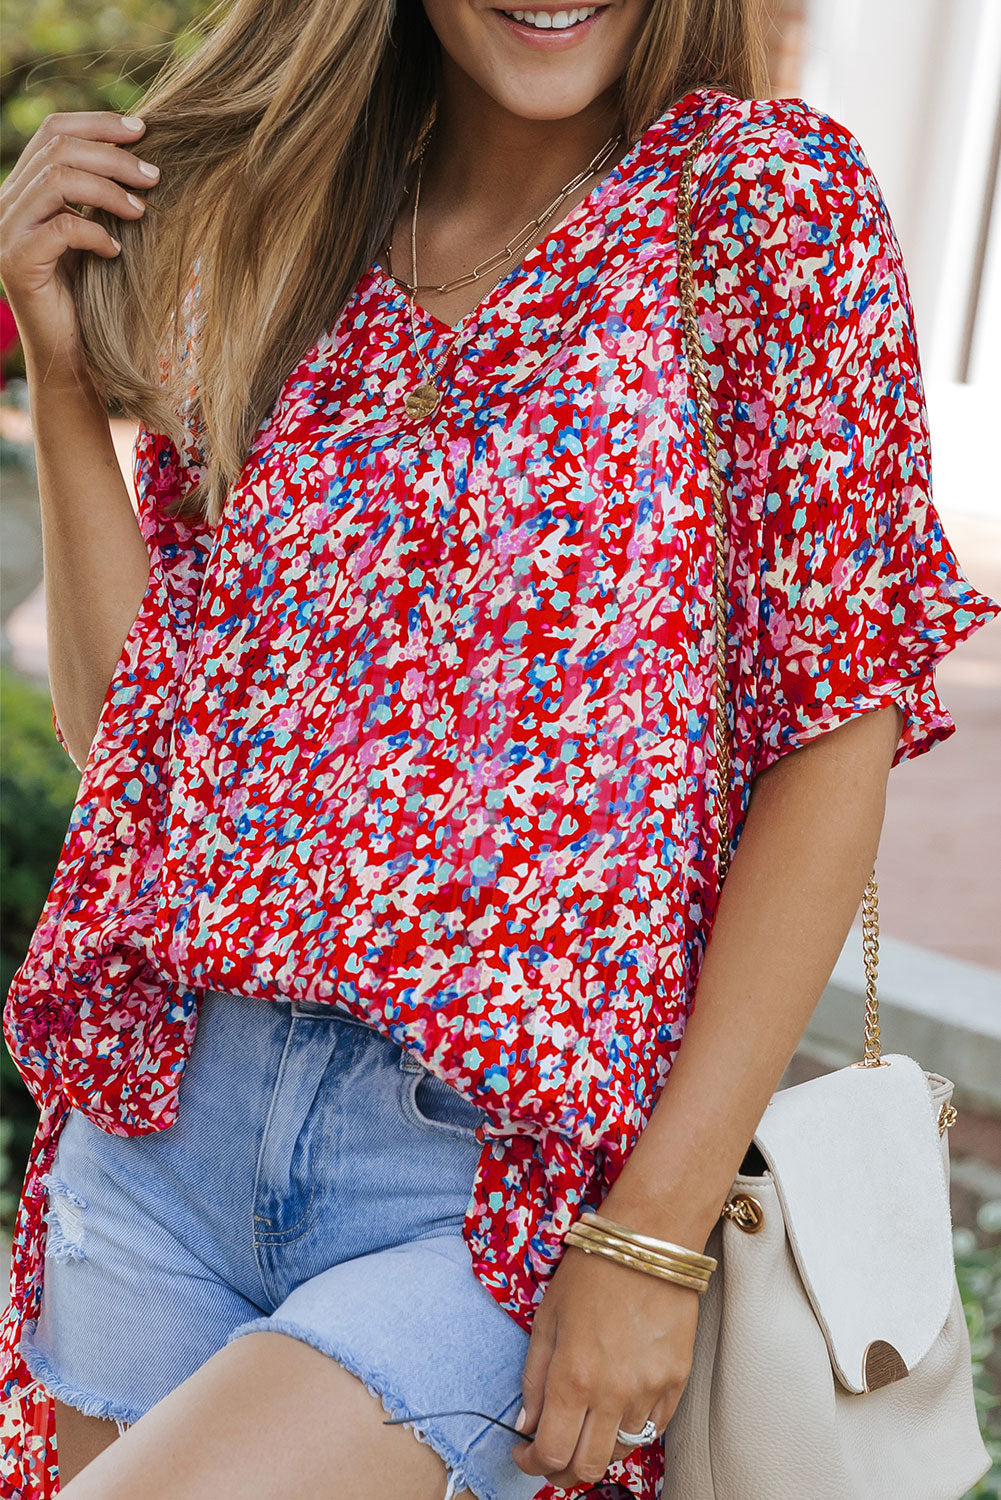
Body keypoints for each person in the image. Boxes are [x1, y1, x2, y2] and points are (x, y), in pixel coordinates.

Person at [1, 0, 998, 1496]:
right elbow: (133, 740)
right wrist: (68, 387)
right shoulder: (298, 222)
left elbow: (828, 754)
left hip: (487, 1190)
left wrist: (651, 1235)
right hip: (168, 1135)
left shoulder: (758, 204)